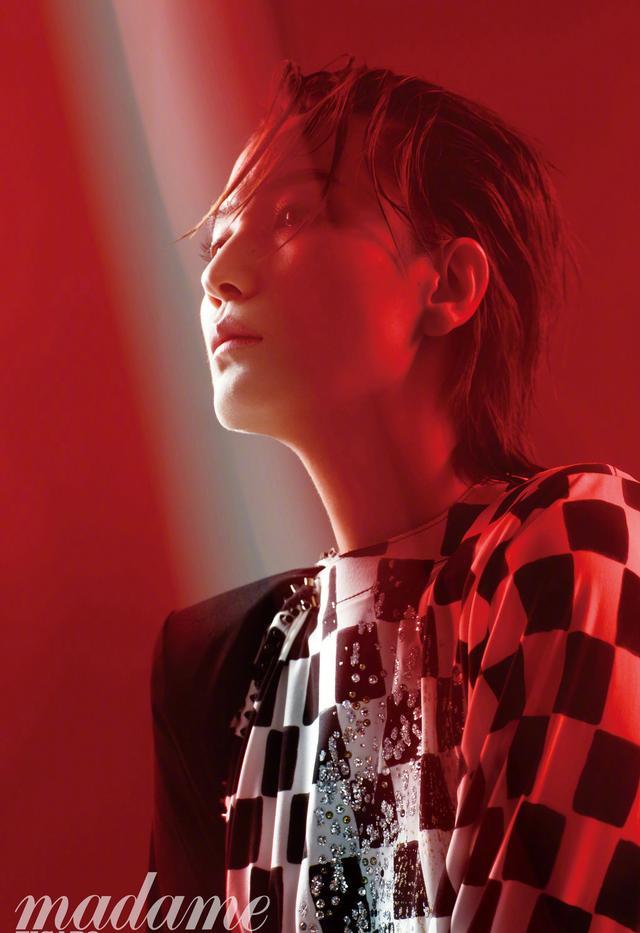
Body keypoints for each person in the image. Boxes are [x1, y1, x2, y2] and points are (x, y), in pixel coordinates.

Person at [147, 57, 640, 932]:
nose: (217, 275)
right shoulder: (221, 664)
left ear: (448, 285)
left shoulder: (573, 544)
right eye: (218, 235)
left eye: (291, 214)